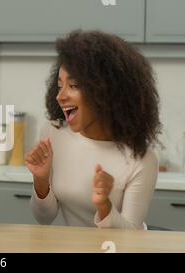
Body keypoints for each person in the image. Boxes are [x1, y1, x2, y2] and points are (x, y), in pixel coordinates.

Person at [25, 30, 161, 229]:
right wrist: (41, 180)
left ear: (106, 92)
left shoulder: (142, 158)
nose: (60, 96)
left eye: (73, 85)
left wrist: (104, 206)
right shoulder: (53, 133)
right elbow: (44, 218)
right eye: (60, 85)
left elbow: (132, 238)